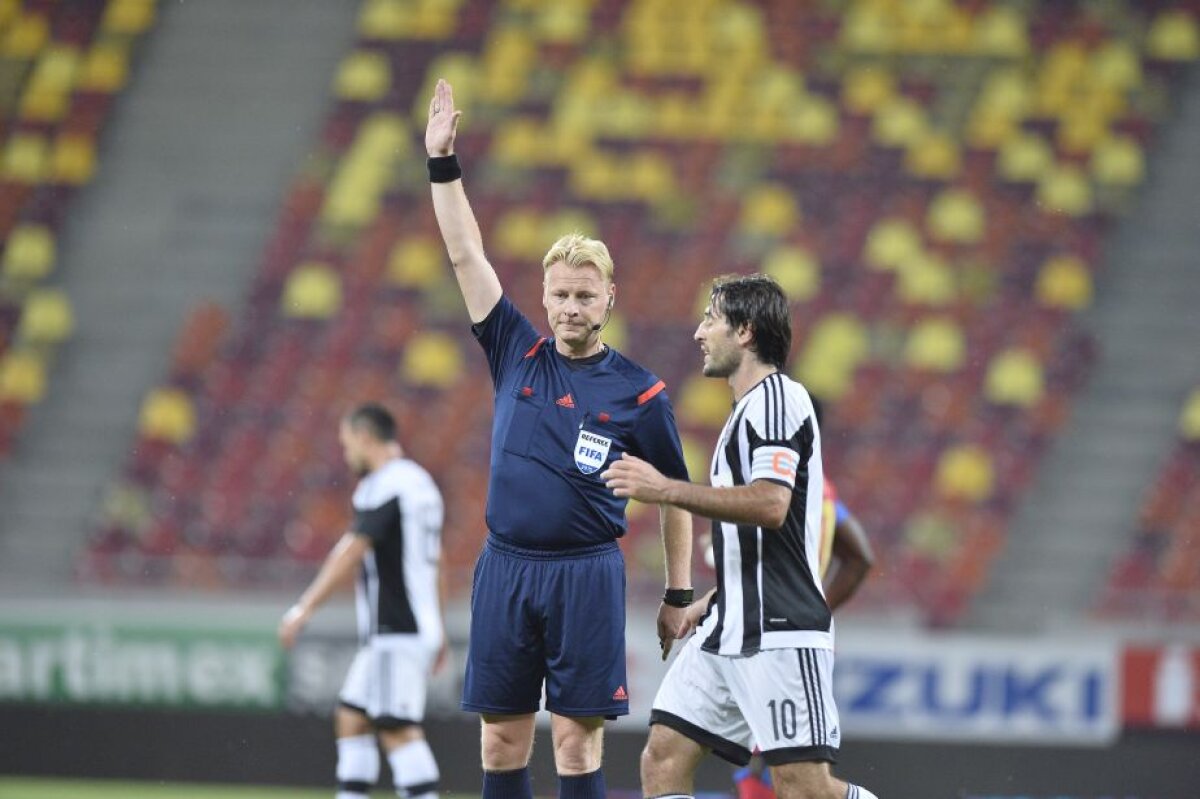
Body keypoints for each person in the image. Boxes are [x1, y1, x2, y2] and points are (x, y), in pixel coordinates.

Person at [424, 78, 694, 799]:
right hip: (506, 567)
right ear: (543, 296)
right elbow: (465, 254)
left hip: (586, 574)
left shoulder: (639, 391)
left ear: (609, 298)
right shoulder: (515, 350)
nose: (571, 306)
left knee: (576, 744)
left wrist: (679, 591)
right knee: (501, 739)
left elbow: (677, 497)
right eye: (561, 294)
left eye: (584, 294)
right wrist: (442, 162)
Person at [602, 274, 880, 799]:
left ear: (746, 331)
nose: (699, 332)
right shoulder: (746, 410)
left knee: (803, 788)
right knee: (663, 757)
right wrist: (710, 601)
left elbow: (771, 505)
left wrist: (666, 489)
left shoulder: (777, 399)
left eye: (711, 319)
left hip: (780, 630)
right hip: (730, 626)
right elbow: (757, 546)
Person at [278, 403, 446, 799]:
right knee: (352, 717)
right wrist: (437, 627)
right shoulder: (420, 482)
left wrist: (304, 608)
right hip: (410, 627)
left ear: (365, 437)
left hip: (395, 629)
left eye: (347, 443)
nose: (345, 453)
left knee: (396, 729)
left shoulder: (386, 483)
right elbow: (436, 561)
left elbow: (353, 549)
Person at [733, 396, 875, 799]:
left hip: (782, 638)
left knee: (785, 771)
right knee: (774, 762)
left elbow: (860, 559)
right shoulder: (821, 489)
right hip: (789, 631)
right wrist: (817, 607)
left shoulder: (783, 487)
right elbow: (860, 557)